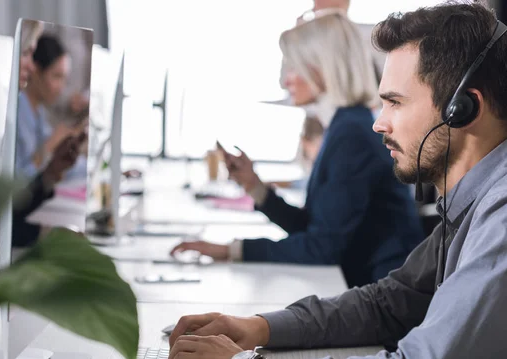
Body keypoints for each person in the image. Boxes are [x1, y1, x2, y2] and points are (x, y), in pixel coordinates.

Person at [165, 3, 507, 359]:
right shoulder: (480, 199)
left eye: (395, 102)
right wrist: (258, 327)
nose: (379, 122)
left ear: (462, 110)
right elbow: (387, 305)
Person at [172, 10, 423, 287]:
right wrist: (254, 186)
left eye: (292, 66)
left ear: (319, 67)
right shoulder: (344, 124)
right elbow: (315, 228)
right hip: (364, 284)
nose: (285, 81)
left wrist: (231, 250)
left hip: (382, 295)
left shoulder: (352, 134)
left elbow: (322, 248)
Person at [16, 34, 87, 182]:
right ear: (35, 72)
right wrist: (51, 144)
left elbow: (67, 168)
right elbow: (15, 183)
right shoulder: (17, 113)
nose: (61, 88)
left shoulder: (39, 112)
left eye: (64, 79)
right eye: (56, 77)